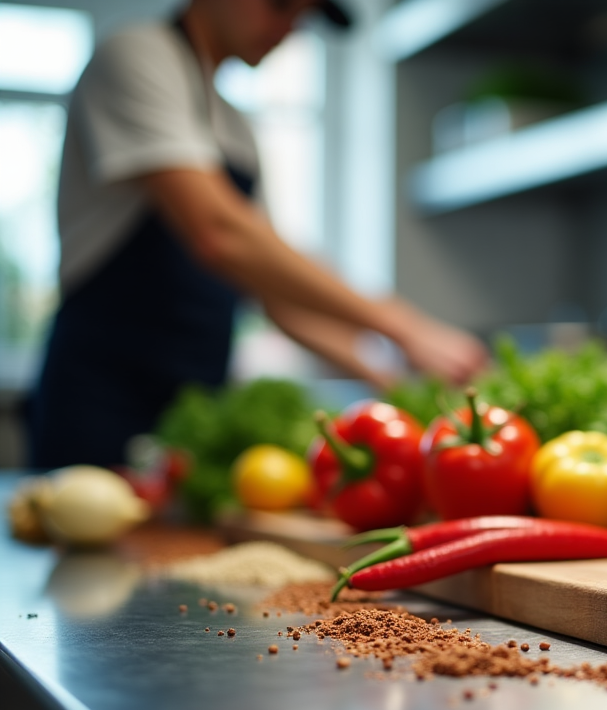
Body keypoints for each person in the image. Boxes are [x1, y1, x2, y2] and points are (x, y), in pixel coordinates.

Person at [25, 0, 488, 470]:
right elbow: (221, 233)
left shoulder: (236, 131)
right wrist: (405, 327)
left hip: (191, 407)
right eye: (280, 6)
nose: (287, 29)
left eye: (300, 19)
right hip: (100, 395)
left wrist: (388, 379)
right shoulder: (135, 56)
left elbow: (279, 299)